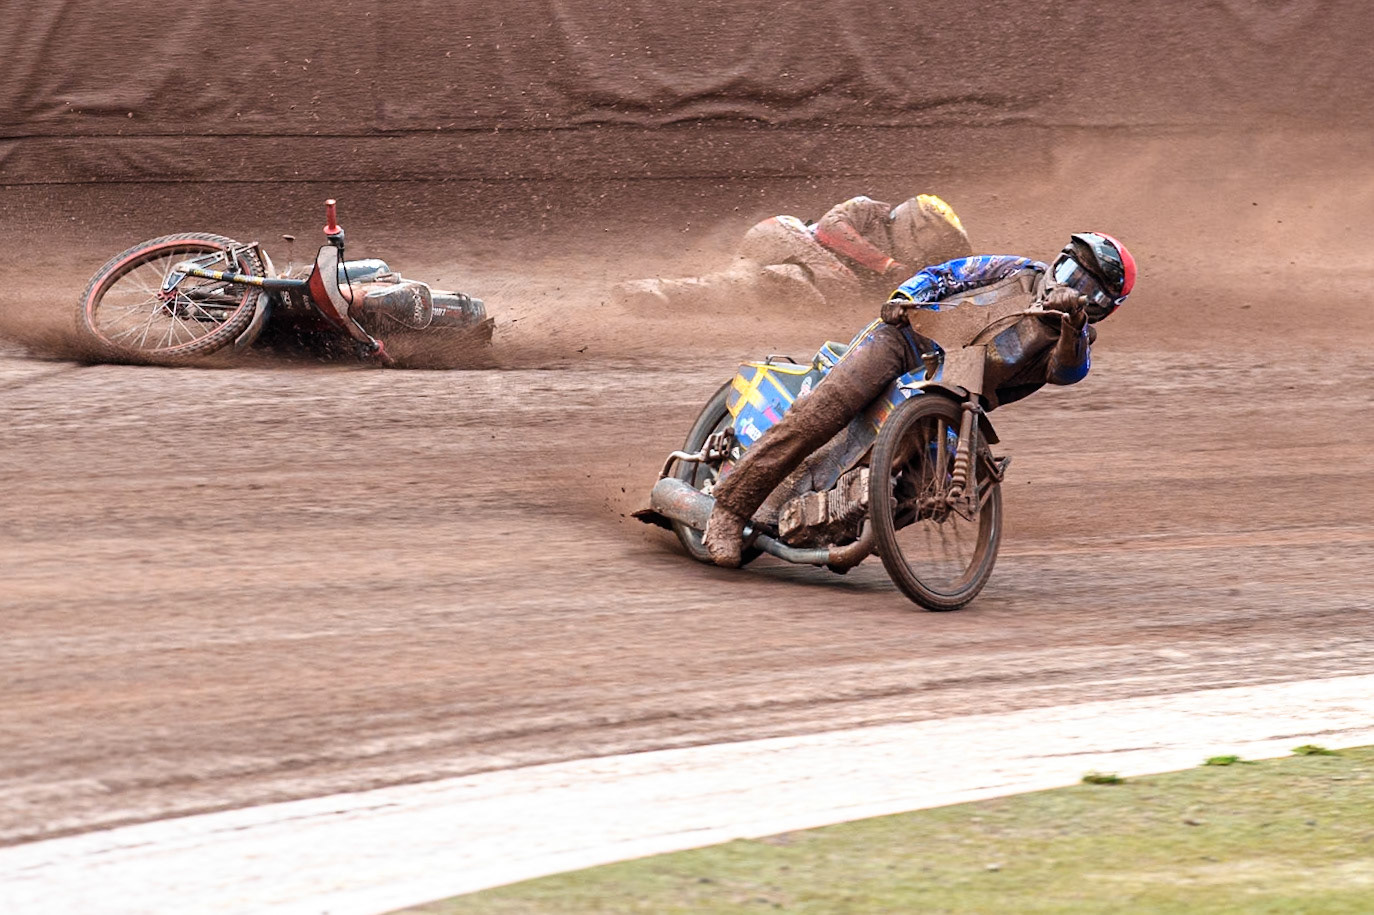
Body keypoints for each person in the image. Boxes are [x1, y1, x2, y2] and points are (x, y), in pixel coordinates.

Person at [701, 232, 1137, 567]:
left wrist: (1073, 323)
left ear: (1104, 307)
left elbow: (1068, 372)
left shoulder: (1075, 339)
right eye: (1069, 275)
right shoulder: (1016, 271)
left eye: (1089, 290)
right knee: (828, 408)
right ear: (1056, 264)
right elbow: (946, 274)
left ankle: (843, 526)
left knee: (932, 485)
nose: (1070, 289)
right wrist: (906, 297)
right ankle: (730, 507)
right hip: (908, 342)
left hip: (949, 395)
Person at [612, 194, 973, 311]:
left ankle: (651, 293)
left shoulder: (901, 278)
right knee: (840, 285)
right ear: (916, 225)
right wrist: (886, 264)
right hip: (784, 235)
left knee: (734, 289)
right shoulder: (870, 209)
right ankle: (789, 280)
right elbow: (832, 229)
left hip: (800, 271)